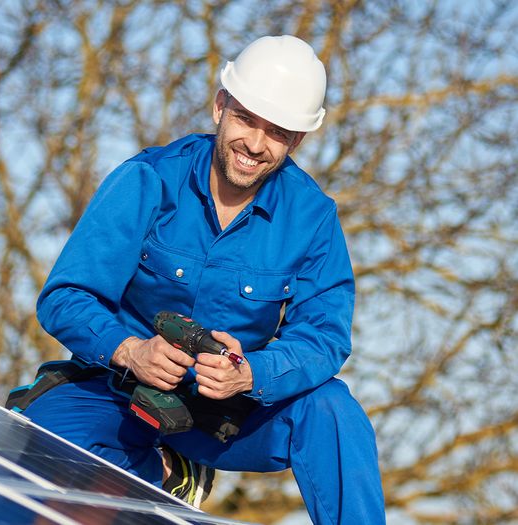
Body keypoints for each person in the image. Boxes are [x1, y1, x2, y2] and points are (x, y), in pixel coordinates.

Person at [22, 35, 386, 524]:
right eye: (246, 119)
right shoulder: (147, 179)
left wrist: (253, 372)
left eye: (276, 132)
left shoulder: (313, 217)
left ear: (296, 140)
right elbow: (66, 296)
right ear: (220, 107)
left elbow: (324, 336)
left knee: (332, 411)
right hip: (119, 391)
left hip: (228, 415)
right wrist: (130, 350)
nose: (255, 144)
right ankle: (167, 475)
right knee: (42, 443)